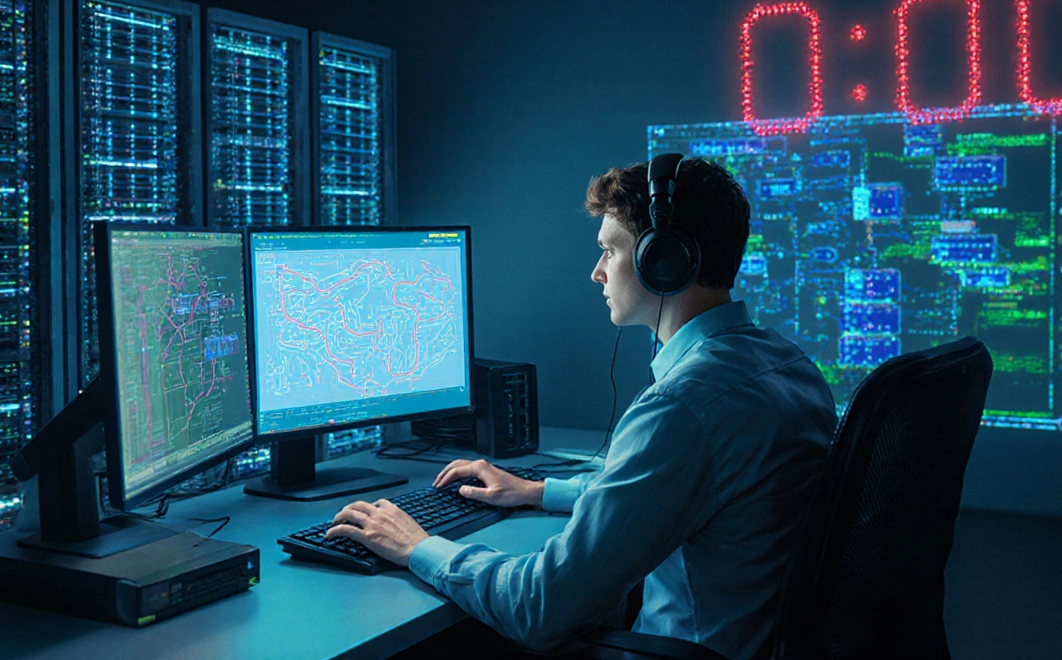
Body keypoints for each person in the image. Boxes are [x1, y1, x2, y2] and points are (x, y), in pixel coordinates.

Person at [326, 157, 838, 659]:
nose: (597, 273)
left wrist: (418, 547)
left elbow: (541, 607)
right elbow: (670, 491)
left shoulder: (682, 407)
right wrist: (538, 491)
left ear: (663, 261)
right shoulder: (789, 366)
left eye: (609, 251)